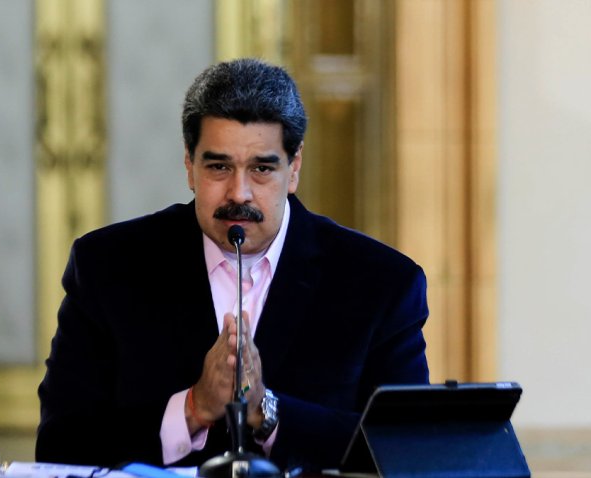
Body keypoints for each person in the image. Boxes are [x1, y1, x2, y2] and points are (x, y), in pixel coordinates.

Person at [35, 58, 430, 470]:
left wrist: (267, 412)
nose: (238, 193)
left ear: (293, 168)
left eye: (261, 169)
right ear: (189, 164)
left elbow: (407, 452)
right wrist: (193, 409)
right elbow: (60, 444)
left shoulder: (381, 283)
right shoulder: (108, 267)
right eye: (219, 167)